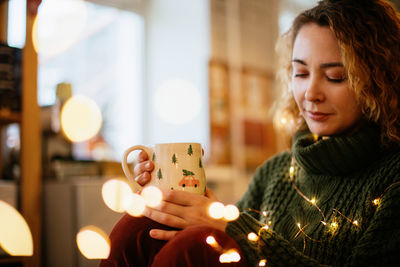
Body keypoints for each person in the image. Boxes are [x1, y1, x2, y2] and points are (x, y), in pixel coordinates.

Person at [100, 0, 400, 266]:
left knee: (195, 248)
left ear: (380, 81)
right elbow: (228, 240)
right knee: (141, 223)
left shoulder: (392, 180)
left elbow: (236, 237)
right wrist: (185, 205)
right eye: (301, 73)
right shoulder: (277, 172)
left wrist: (233, 228)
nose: (310, 93)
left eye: (335, 77)